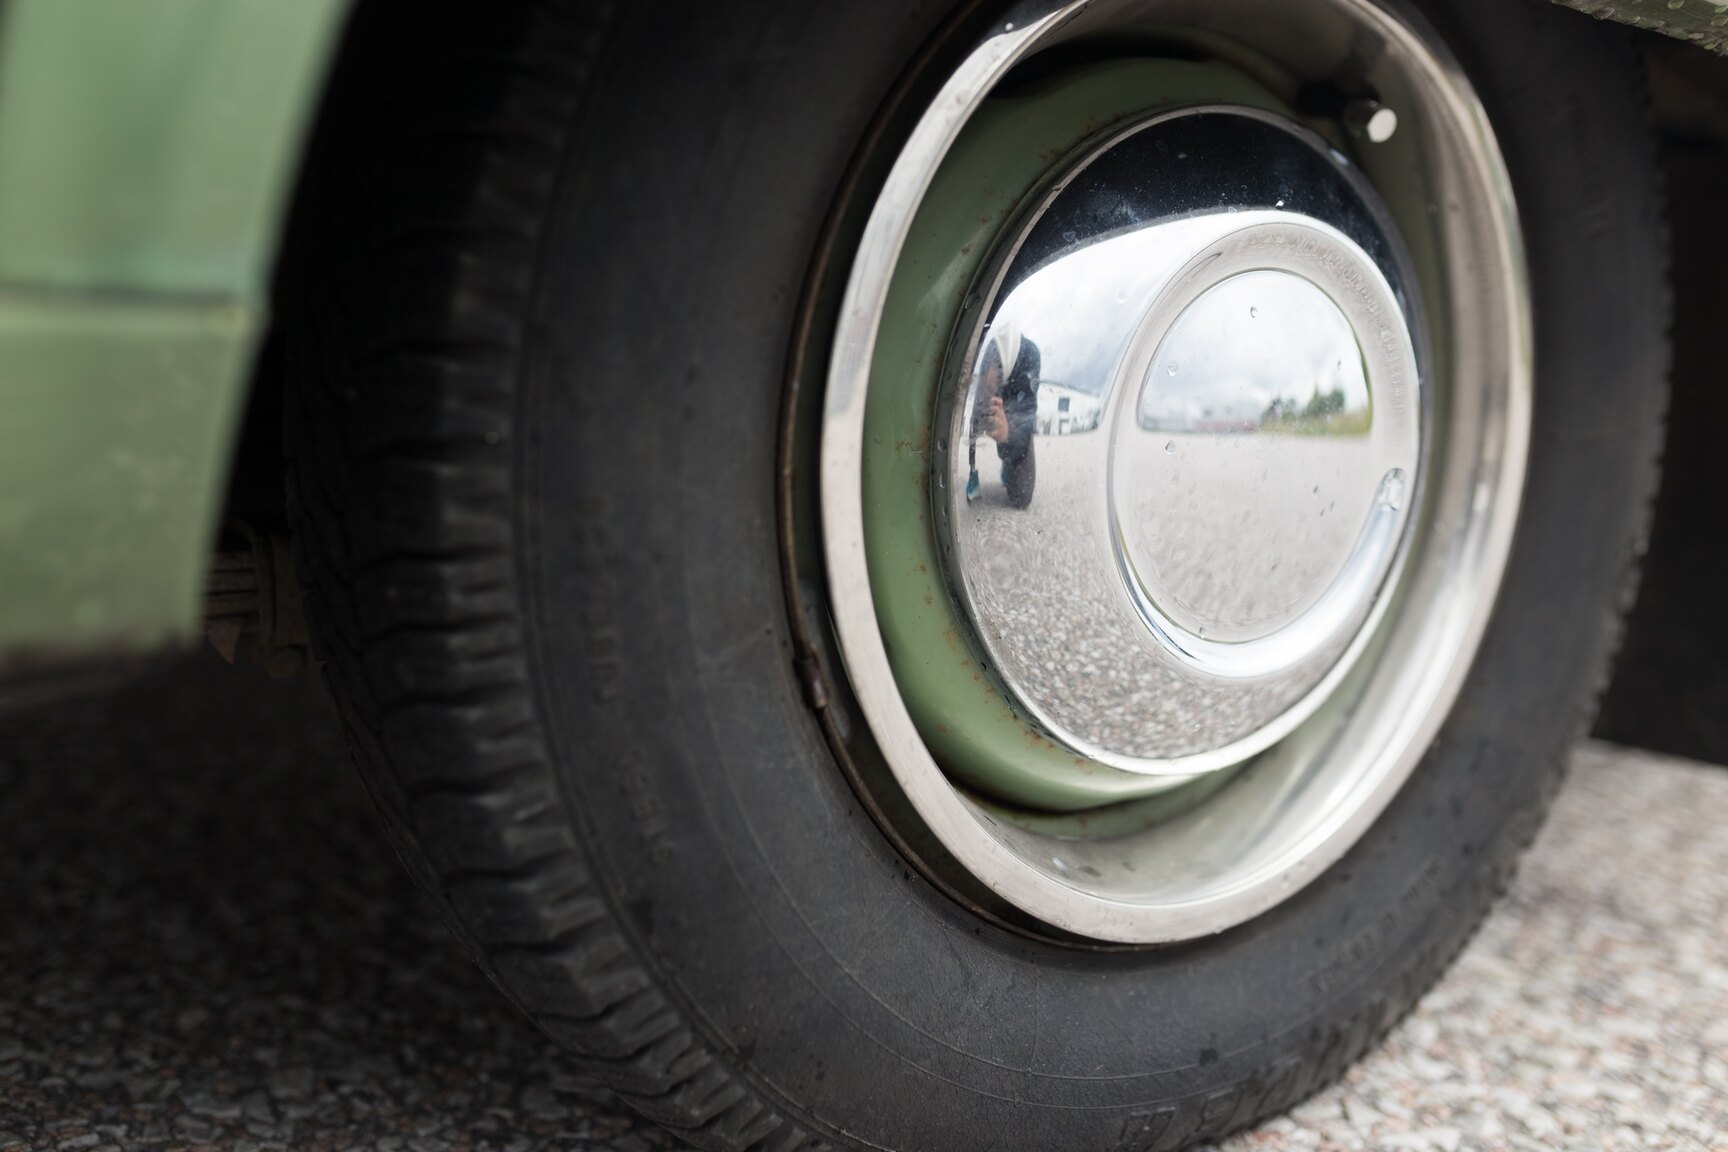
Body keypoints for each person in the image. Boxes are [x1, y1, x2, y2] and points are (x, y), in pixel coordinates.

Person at [966, 324, 1039, 509]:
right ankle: (980, 471)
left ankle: (1008, 465)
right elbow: (976, 411)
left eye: (992, 386)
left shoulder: (1029, 356)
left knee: (1022, 497)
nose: (990, 391)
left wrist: (1008, 436)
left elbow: (1028, 415)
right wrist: (972, 467)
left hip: (1020, 411)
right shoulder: (988, 359)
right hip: (1006, 391)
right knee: (977, 421)